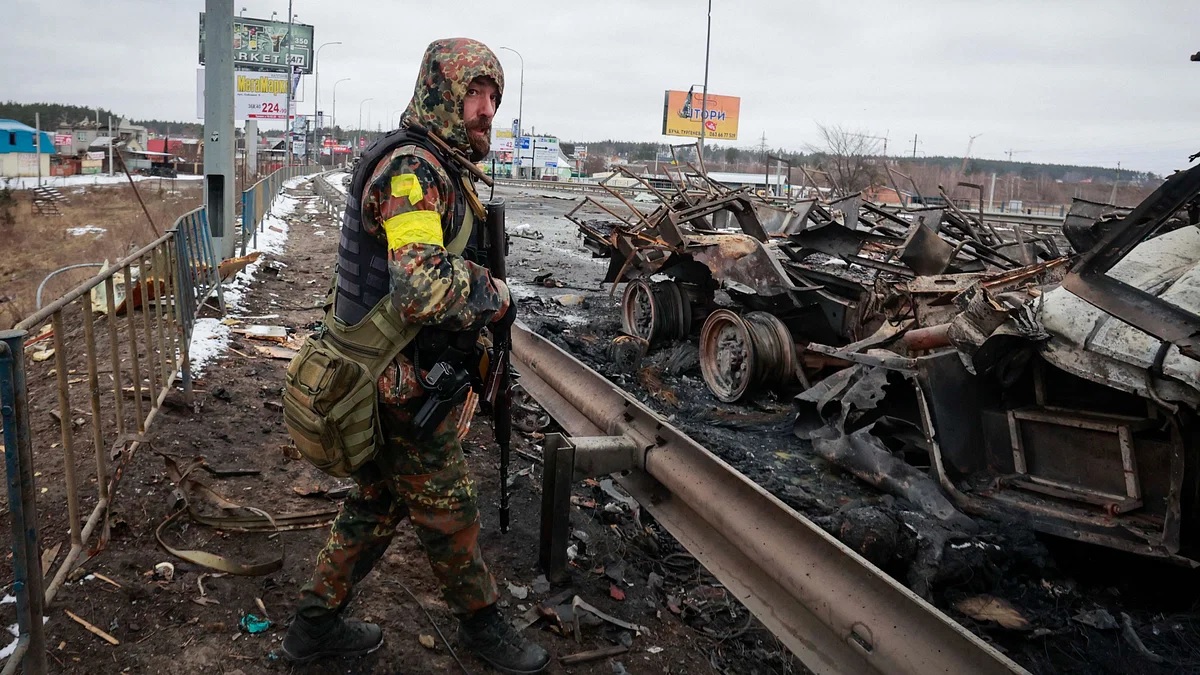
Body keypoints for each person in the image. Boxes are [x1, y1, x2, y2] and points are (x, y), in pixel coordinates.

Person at [281, 38, 550, 674]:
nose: (487, 110)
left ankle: (311, 628)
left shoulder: (441, 165)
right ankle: (485, 628)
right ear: (441, 95)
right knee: (448, 506)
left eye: (494, 98)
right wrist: (498, 294)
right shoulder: (412, 171)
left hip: (396, 369)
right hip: (391, 376)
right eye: (474, 95)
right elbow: (422, 282)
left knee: (378, 500)